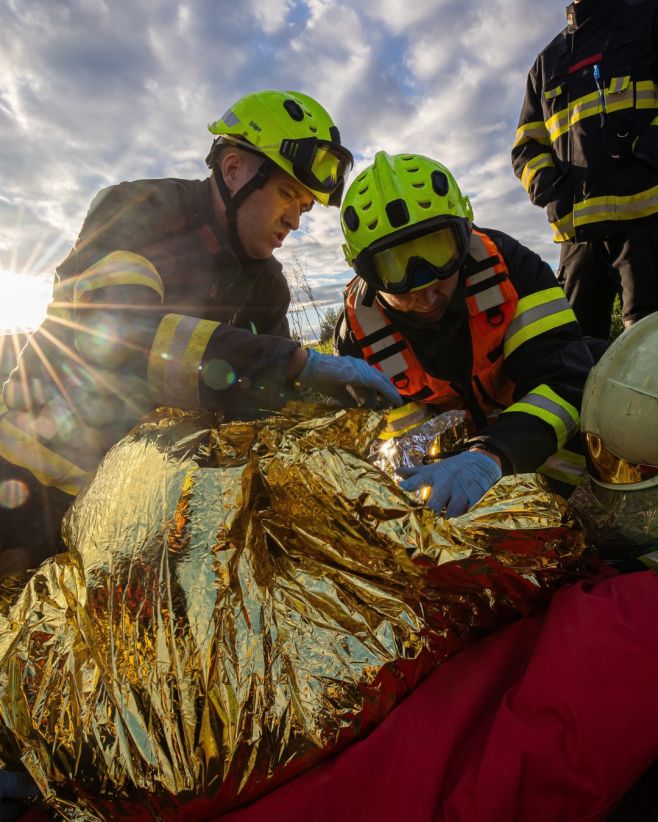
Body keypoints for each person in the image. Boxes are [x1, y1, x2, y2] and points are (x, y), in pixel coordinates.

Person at [0, 89, 401, 573]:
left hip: (126, 515)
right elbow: (122, 343)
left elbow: (258, 411)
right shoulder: (137, 211)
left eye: (305, 206)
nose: (296, 220)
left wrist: (336, 422)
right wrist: (296, 364)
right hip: (22, 489)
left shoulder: (268, 286)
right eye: (288, 195)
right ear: (233, 169)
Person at [335, 151, 594, 516]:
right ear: (364, 271)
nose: (425, 292)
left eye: (439, 254)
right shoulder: (356, 335)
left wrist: (490, 456)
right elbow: (382, 439)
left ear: (464, 231)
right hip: (444, 477)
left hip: (543, 447)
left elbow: (566, 381)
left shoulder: (513, 269)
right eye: (395, 270)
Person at [511, 0, 658, 340]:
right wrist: (551, 190)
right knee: (573, 353)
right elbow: (525, 146)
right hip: (577, 239)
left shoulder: (646, 19)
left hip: (646, 228)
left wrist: (648, 157)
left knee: (648, 351)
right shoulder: (545, 63)